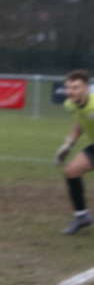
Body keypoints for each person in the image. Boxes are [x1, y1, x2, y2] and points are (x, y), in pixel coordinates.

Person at [55, 69, 94, 234]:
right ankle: (81, 217)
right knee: (71, 171)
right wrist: (69, 144)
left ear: (86, 88)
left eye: (75, 87)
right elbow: (79, 123)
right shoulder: (69, 105)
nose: (70, 91)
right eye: (68, 87)